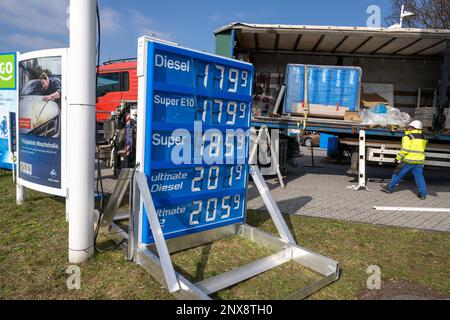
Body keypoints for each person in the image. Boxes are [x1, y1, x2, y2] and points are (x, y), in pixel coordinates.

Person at [381, 120, 428, 200]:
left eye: (409, 127)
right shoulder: (424, 137)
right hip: (419, 161)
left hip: (408, 161)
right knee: (419, 177)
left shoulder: (408, 137)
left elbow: (405, 150)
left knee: (398, 174)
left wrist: (397, 158)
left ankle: (389, 188)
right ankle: (423, 194)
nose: (407, 128)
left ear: (413, 128)